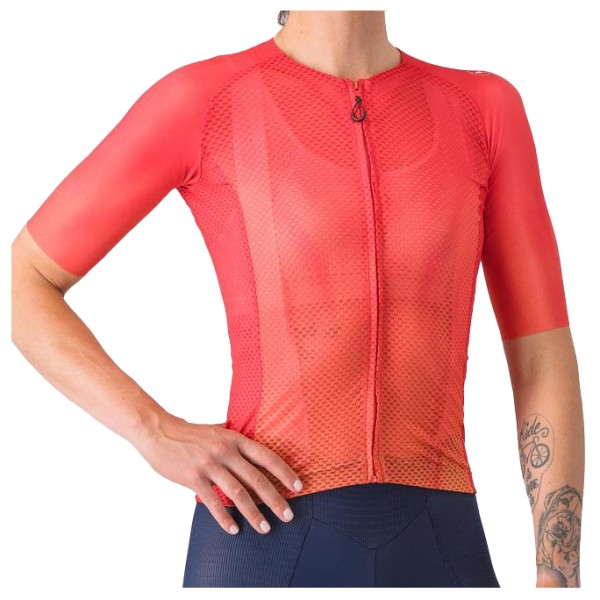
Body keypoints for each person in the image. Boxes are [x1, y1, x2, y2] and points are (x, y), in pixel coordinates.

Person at [11, 9, 584, 588]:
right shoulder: (204, 100)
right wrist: (152, 430)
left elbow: (541, 356)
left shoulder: (483, 108)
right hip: (262, 540)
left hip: (440, 537)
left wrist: (558, 576)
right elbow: (24, 279)